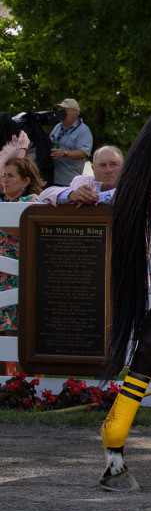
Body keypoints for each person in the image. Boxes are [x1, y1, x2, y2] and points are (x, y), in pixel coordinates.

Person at [0, 150, 43, 364]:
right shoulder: (5, 204)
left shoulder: (31, 202)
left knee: (13, 333)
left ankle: (19, 386)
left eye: (10, 176)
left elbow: (12, 229)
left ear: (26, 180)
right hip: (3, 279)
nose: (5, 181)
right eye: (3, 176)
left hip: (16, 280)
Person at [38, 144, 123, 205]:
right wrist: (71, 194)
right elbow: (44, 195)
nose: (108, 170)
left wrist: (90, 197)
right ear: (93, 169)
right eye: (102, 165)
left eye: (113, 164)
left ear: (123, 167)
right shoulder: (80, 181)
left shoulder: (131, 186)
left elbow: (121, 197)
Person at [48, 98, 93, 186]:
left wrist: (64, 153)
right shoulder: (57, 127)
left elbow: (83, 152)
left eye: (65, 111)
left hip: (69, 181)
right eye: (60, 110)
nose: (61, 114)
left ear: (75, 113)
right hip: (52, 179)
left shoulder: (83, 130)